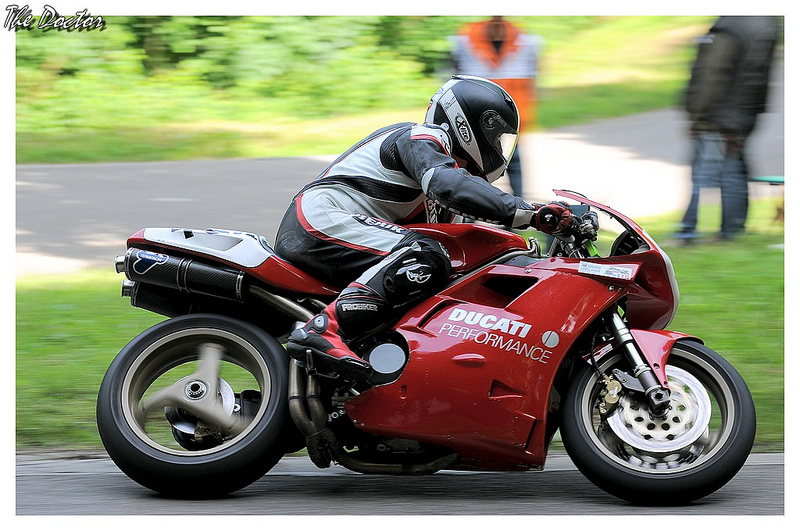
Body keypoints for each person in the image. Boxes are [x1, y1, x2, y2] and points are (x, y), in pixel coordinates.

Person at [276, 75, 573, 381]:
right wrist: (531, 214)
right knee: (425, 253)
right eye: (496, 136)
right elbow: (448, 185)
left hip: (340, 231)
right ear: (467, 122)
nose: (498, 148)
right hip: (321, 218)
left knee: (444, 268)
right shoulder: (421, 139)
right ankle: (325, 330)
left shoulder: (450, 191)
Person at [677, 16, 779, 242]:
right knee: (733, 173)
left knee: (702, 175)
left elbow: (712, 74)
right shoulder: (765, 24)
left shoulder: (730, 26)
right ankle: (731, 231)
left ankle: (687, 231)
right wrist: (745, 119)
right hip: (743, 115)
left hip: (717, 116)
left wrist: (697, 117)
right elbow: (757, 78)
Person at [449, 16, 542, 199]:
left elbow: (531, 84)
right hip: (474, 119)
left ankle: (520, 213)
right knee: (471, 168)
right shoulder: (464, 40)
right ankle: (468, 217)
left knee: (513, 162)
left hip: (509, 120)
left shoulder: (526, 42)